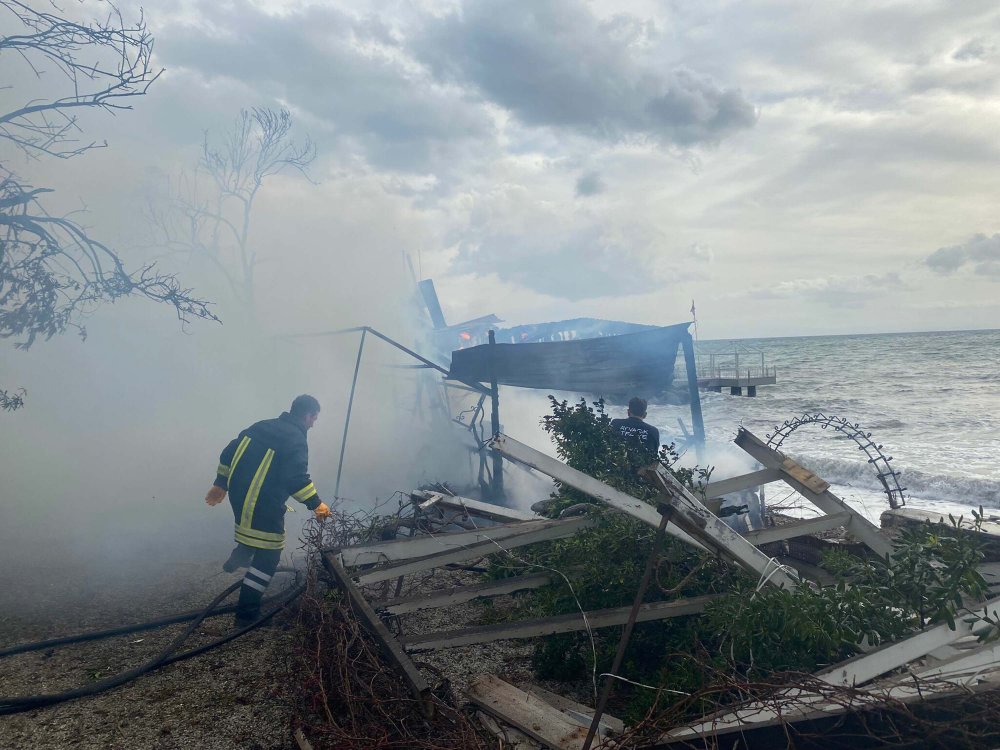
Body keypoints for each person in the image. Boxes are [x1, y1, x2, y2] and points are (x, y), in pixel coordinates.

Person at [205, 394, 332, 626]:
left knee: (252, 532)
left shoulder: (261, 426)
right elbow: (296, 479)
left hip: (240, 497)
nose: (314, 423)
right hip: (261, 503)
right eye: (314, 418)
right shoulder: (295, 438)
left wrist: (221, 483)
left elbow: (228, 452)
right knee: (269, 556)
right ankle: (247, 616)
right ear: (307, 415)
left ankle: (241, 553)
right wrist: (317, 504)